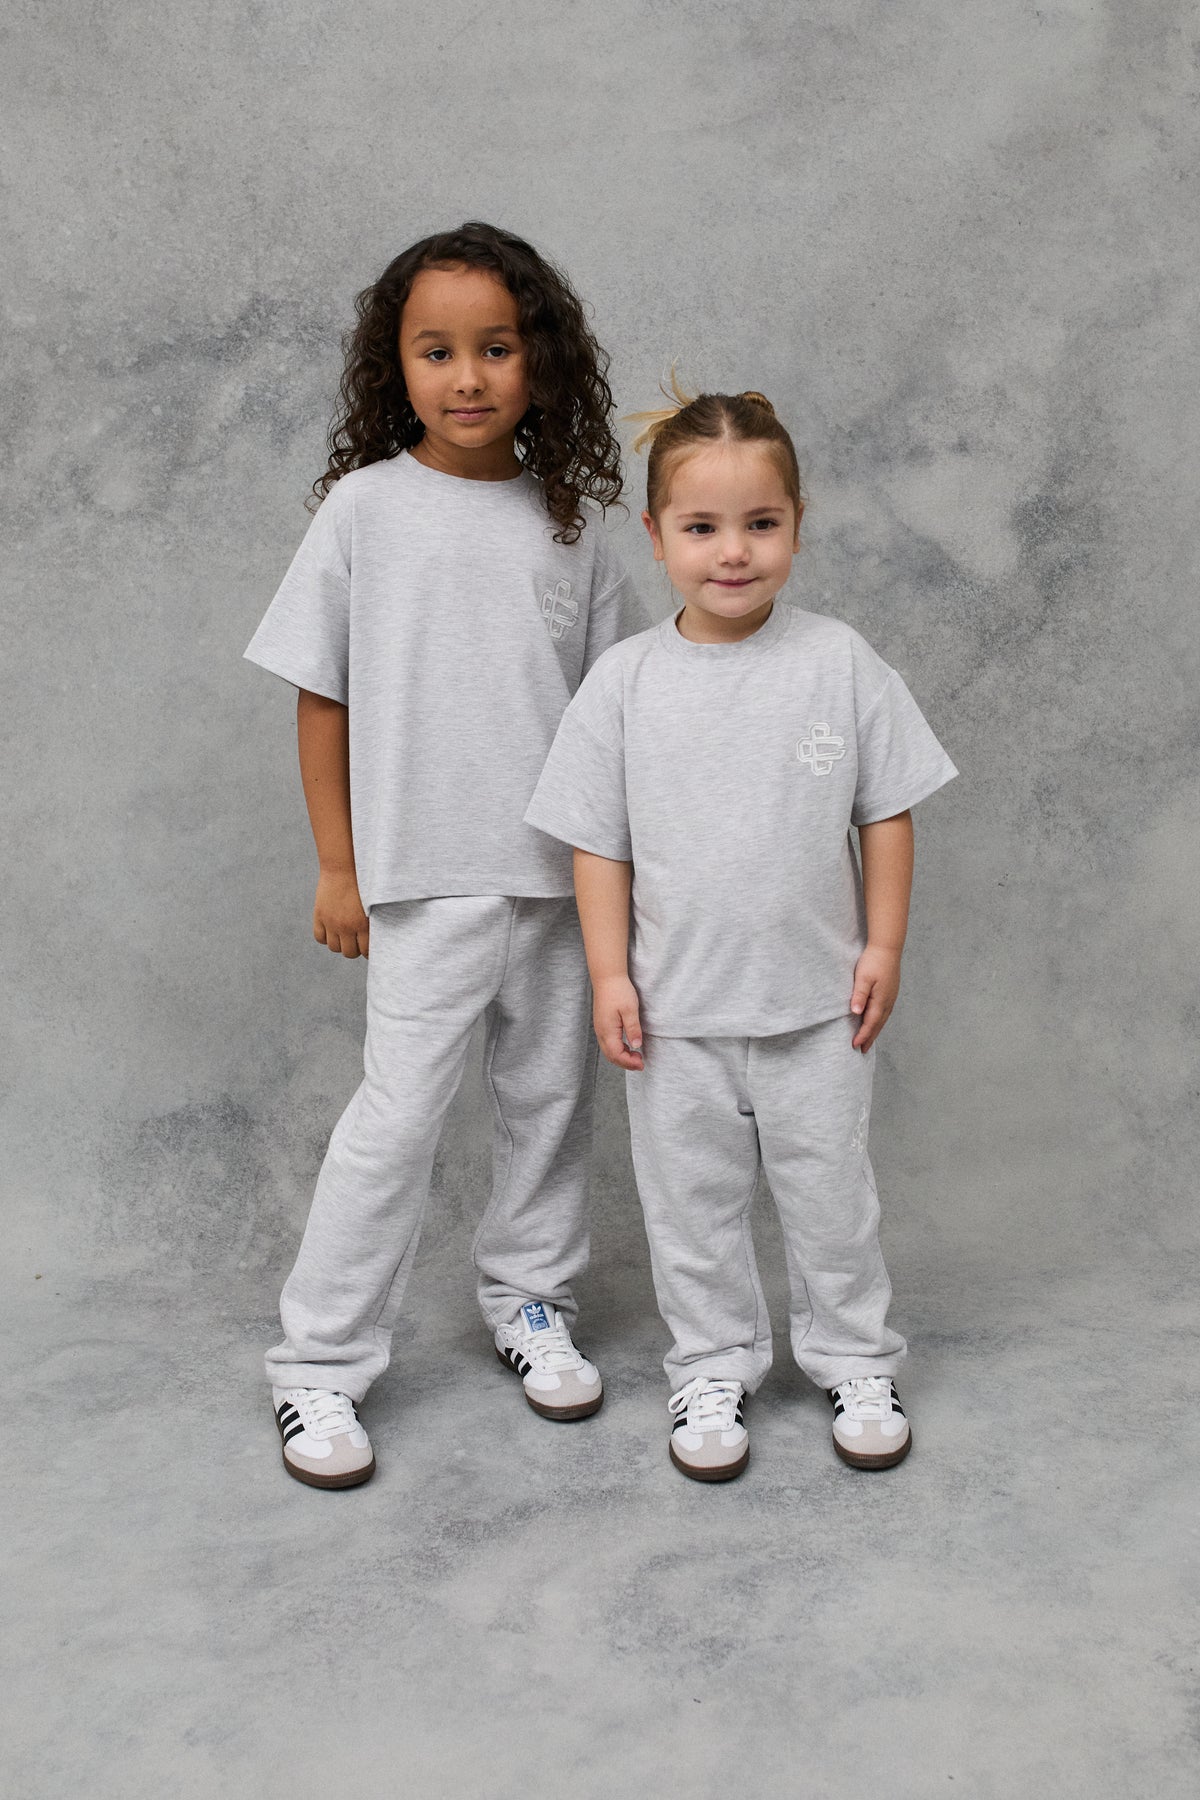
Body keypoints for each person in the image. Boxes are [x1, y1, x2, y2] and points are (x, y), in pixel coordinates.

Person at [244, 222, 644, 1488]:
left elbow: (621, 713)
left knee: (550, 1107)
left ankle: (531, 1300)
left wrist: (633, 884)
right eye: (436, 350)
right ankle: (318, 1364)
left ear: (541, 361)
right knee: (399, 1117)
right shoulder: (364, 512)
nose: (467, 377)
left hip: (562, 884)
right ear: (396, 365)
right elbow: (321, 696)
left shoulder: (572, 527)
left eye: (496, 348)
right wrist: (338, 866)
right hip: (423, 875)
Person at [524, 384, 957, 1481]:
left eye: (761, 523)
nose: (733, 552)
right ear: (656, 534)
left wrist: (884, 946)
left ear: (797, 526)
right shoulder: (625, 684)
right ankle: (711, 1365)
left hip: (819, 1008)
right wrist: (611, 975)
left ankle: (856, 1358)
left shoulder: (839, 662)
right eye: (702, 526)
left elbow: (887, 812)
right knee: (693, 1212)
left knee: (833, 1201)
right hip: (677, 1017)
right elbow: (597, 845)